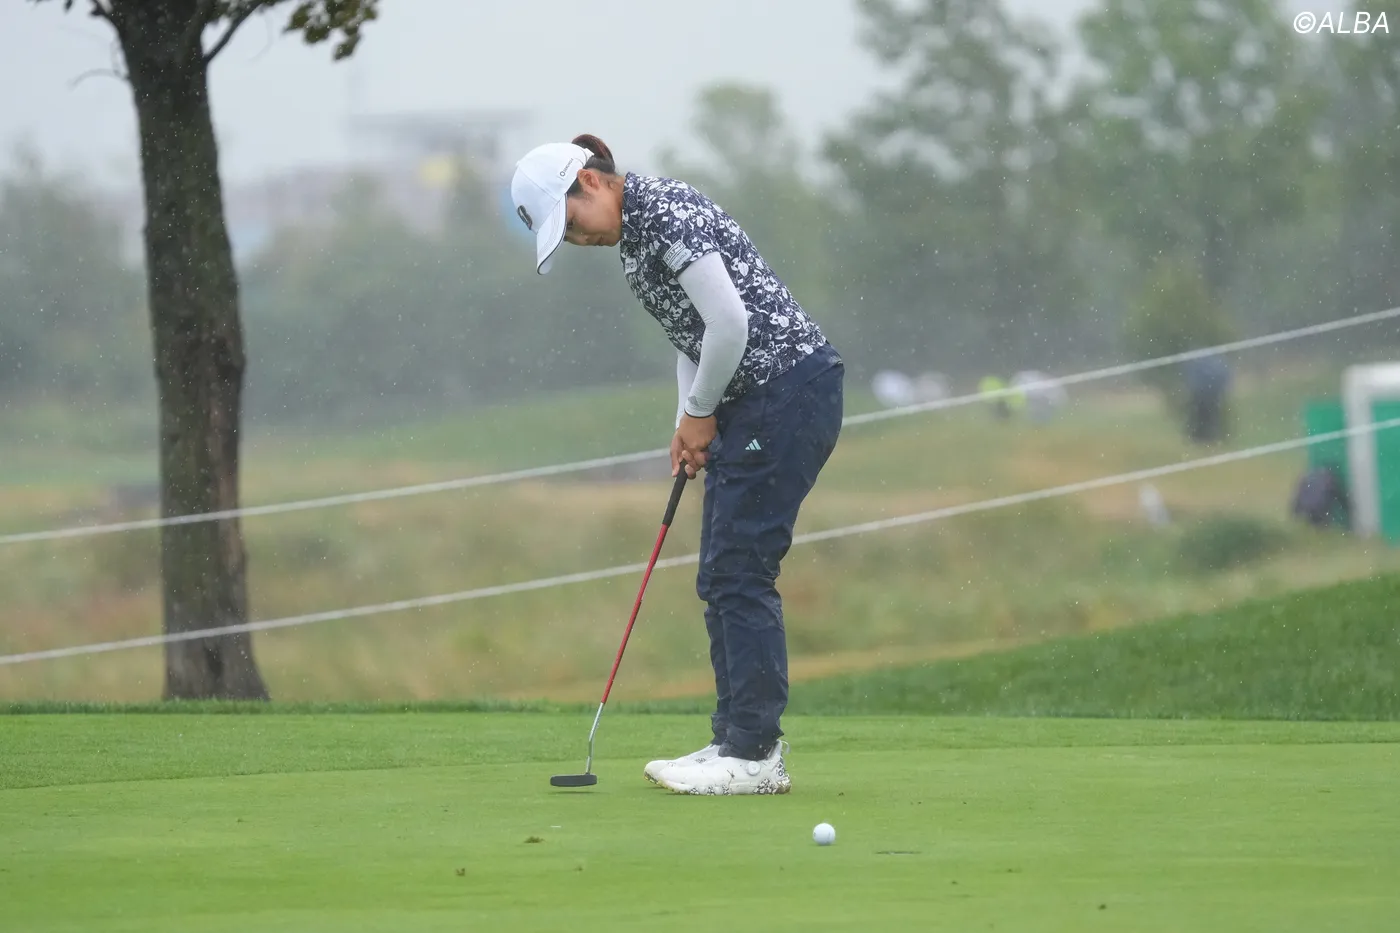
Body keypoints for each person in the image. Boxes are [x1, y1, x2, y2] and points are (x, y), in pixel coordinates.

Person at [510, 134, 844, 796]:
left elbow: (730, 324)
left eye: (570, 223)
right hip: (752, 401)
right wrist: (685, 421)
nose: (576, 239)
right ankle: (734, 739)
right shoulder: (635, 240)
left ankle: (754, 754)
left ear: (591, 182)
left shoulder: (663, 212)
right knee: (720, 573)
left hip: (785, 392)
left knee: (741, 573)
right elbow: (691, 335)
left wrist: (700, 412)